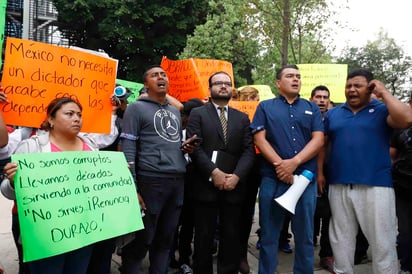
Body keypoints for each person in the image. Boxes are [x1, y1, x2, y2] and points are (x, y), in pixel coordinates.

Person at [0, 97, 119, 274]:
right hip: (45, 236)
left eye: (79, 114)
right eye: (69, 114)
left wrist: (115, 175)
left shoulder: (91, 146)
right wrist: (12, 181)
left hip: (84, 232)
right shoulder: (32, 147)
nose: (77, 118)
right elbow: (8, 192)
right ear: (51, 119)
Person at [323, 68, 412, 274]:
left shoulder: (381, 110)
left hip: (376, 185)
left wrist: (384, 93)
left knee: (382, 241)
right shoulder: (334, 113)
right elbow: (323, 144)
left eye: (358, 86)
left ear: (369, 88)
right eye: (348, 86)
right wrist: (320, 173)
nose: (352, 90)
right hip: (339, 184)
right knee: (340, 239)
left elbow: (407, 119)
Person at [119, 65, 197, 274]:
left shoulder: (173, 111)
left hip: (176, 181)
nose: (161, 77)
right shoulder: (135, 108)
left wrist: (185, 149)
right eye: (154, 75)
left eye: (163, 75)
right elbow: (128, 146)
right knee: (142, 240)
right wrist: (132, 187)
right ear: (146, 84)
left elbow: (167, 140)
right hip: (150, 180)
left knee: (166, 239)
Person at [251, 64, 324, 274]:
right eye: (290, 76)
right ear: (278, 83)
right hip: (272, 178)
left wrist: (294, 162)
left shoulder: (311, 108)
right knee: (269, 234)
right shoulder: (265, 106)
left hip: (304, 180)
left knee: (305, 236)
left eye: (298, 77)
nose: (296, 80)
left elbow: (318, 140)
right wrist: (281, 166)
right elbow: (259, 138)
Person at [185, 71, 255, 274]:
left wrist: (237, 176)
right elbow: (194, 146)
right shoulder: (198, 113)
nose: (223, 86)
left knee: (231, 235)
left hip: (234, 186)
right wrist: (214, 172)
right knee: (204, 237)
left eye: (227, 83)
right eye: (218, 83)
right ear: (210, 89)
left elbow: (248, 150)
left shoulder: (242, 118)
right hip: (205, 186)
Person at [310, 85, 334, 273]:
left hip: (332, 173)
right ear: (311, 99)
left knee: (329, 215)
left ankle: (326, 254)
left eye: (325, 97)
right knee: (311, 214)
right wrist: (318, 173)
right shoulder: (306, 117)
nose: (321, 100)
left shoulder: (333, 118)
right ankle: (308, 250)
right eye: (318, 97)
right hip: (309, 172)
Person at [390, 97, 412, 274]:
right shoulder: (401, 129)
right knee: (405, 231)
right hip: (403, 187)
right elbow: (391, 156)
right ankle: (405, 267)